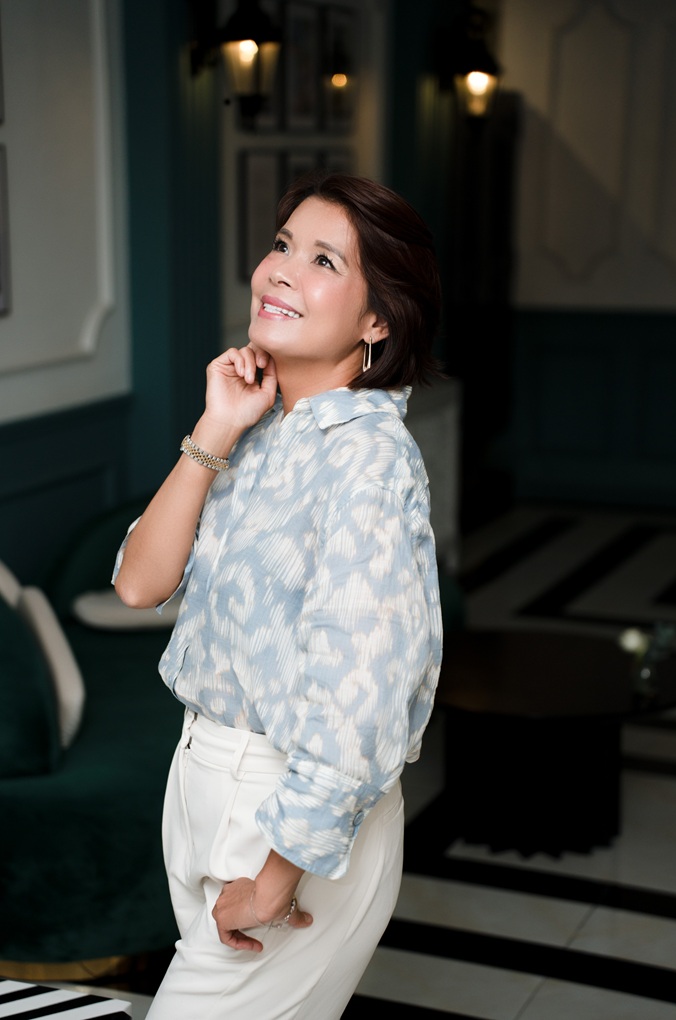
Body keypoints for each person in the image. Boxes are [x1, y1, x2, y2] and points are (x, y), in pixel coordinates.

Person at [113, 171, 443, 1019]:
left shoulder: (368, 459)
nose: (280, 271)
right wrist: (218, 426)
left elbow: (362, 702)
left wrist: (274, 878)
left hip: (285, 817)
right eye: (283, 245)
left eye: (324, 260)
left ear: (378, 320)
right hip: (201, 785)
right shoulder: (263, 430)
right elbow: (139, 583)